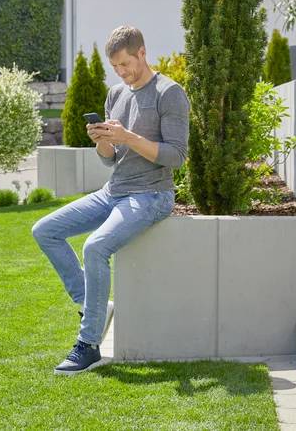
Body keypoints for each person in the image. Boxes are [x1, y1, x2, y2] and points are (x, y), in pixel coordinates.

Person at [32, 25, 190, 375]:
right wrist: (103, 141)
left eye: (125, 64)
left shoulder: (170, 93)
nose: (121, 72)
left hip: (152, 194)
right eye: (115, 67)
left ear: (142, 53)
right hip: (113, 191)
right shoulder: (116, 94)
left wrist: (128, 136)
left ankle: (88, 345)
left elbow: (176, 156)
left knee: (95, 247)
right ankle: (95, 307)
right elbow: (110, 157)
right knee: (45, 230)